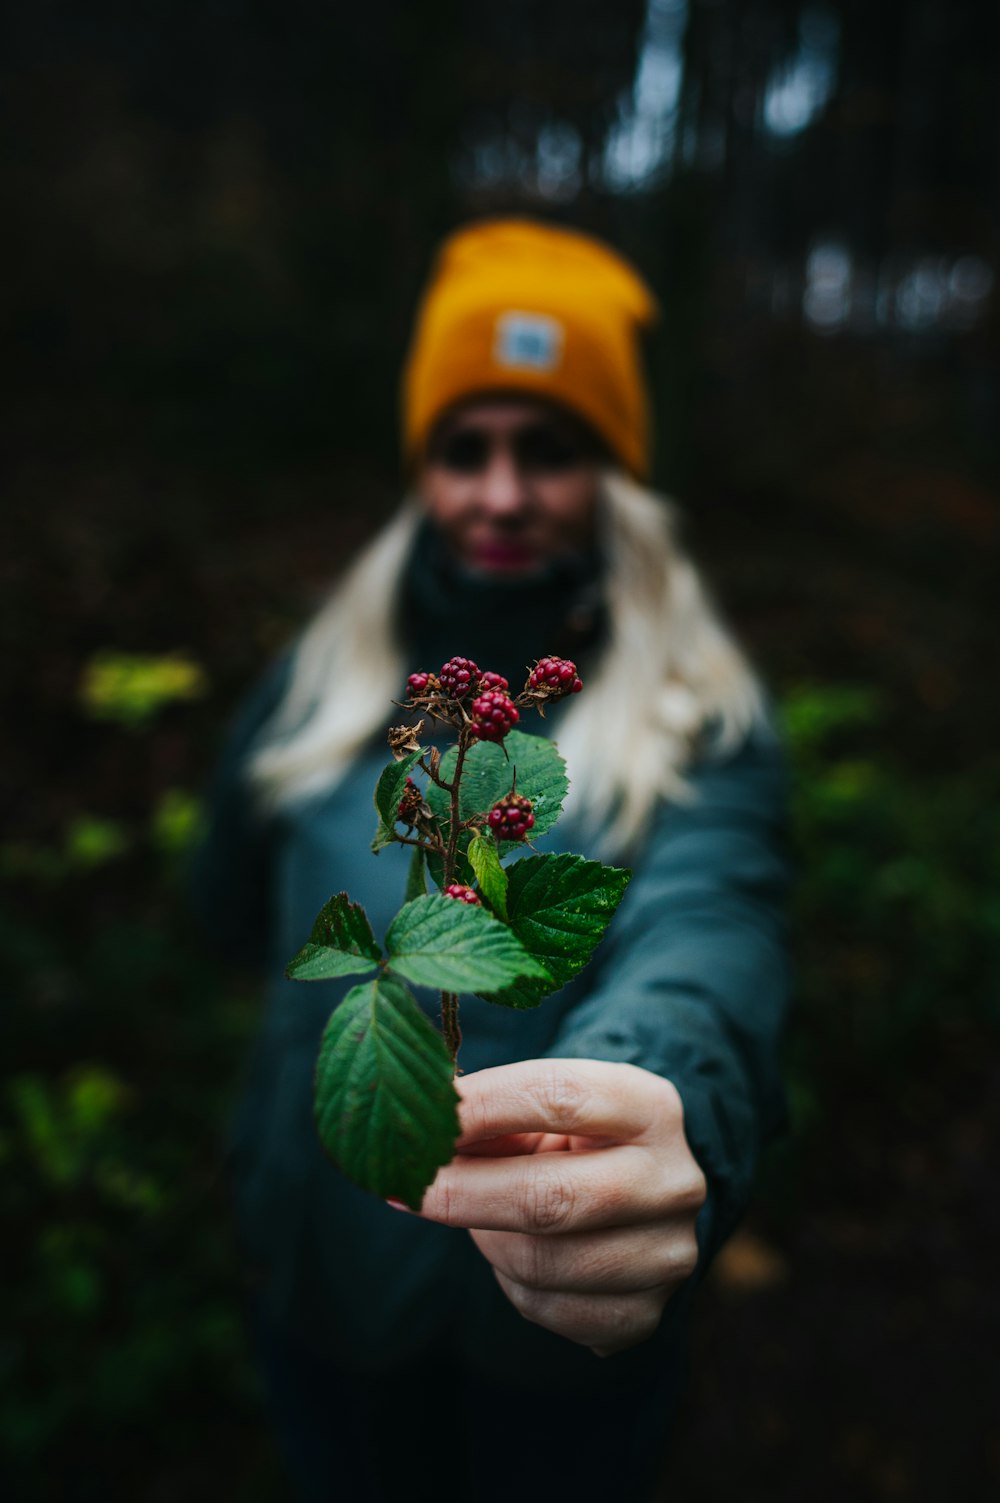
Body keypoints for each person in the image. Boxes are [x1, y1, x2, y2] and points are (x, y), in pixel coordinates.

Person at [192, 219, 792, 1502]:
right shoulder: (324, 684)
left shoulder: (697, 717)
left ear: (615, 478)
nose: (503, 493)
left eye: (552, 449)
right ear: (422, 471)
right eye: (466, 449)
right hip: (323, 1285)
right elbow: (225, 906)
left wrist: (665, 1103)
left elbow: (709, 935)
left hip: (556, 1336)